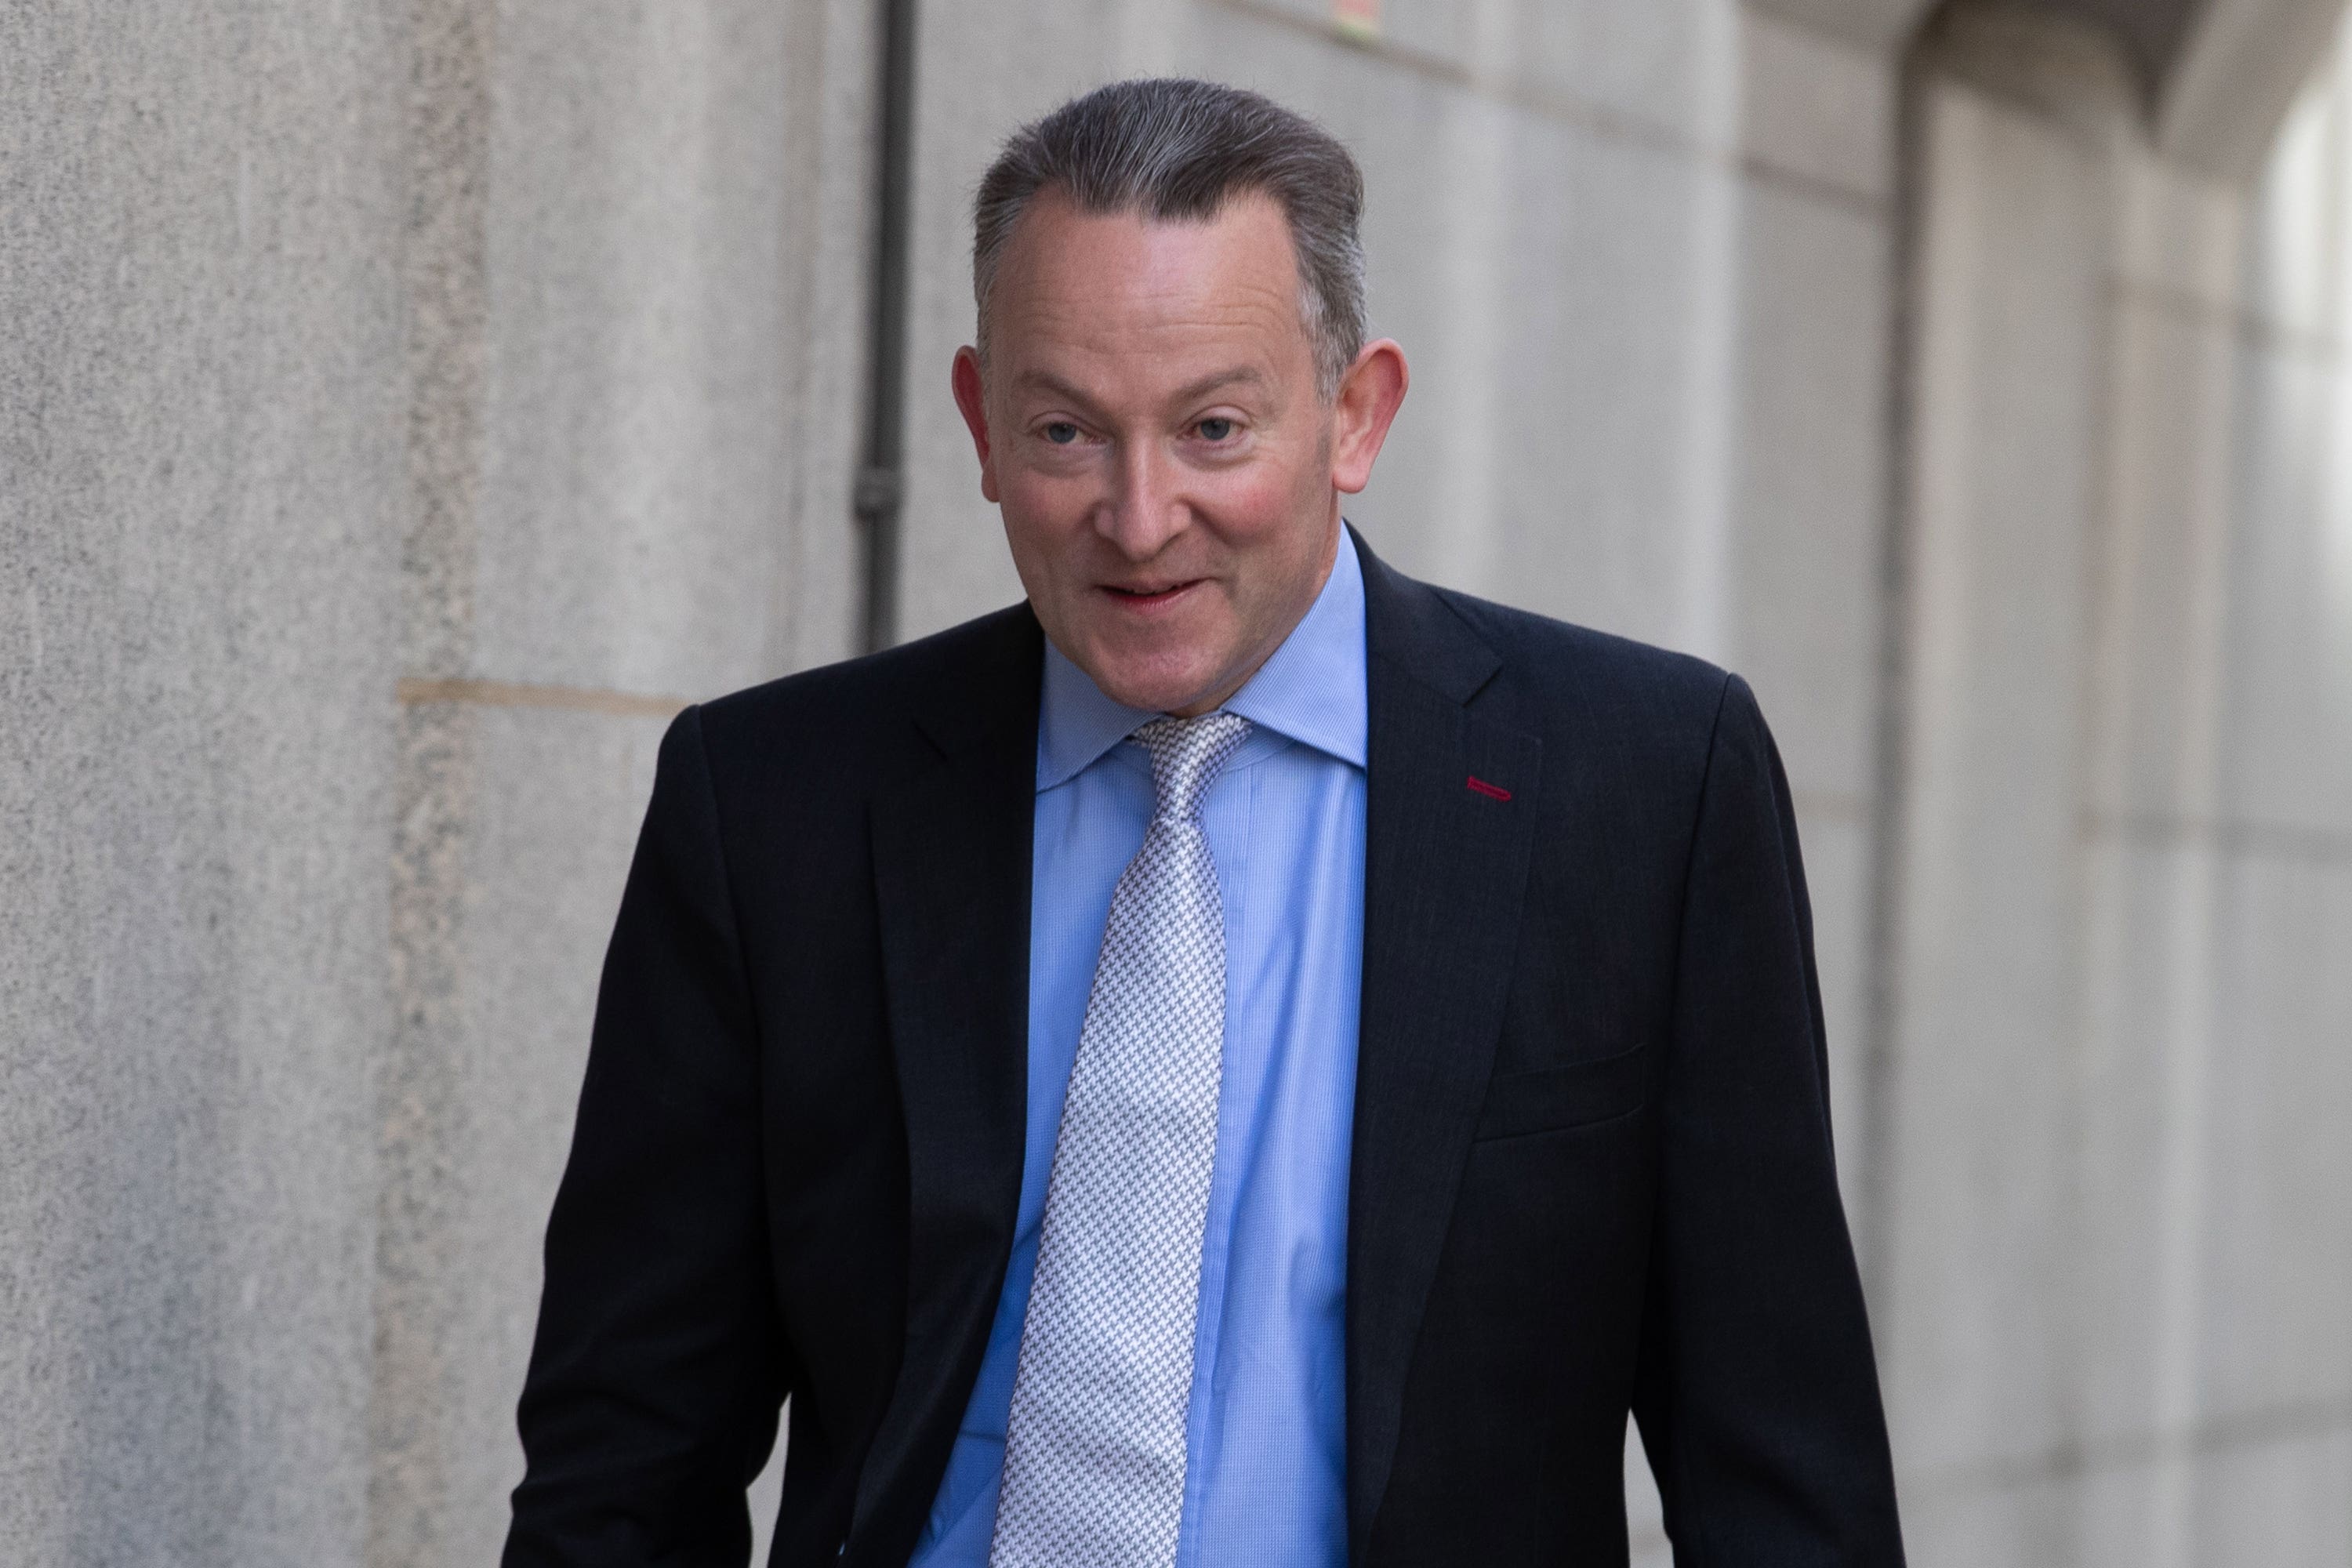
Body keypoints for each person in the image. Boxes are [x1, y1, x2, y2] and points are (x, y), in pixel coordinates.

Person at [504, 78, 1905, 1568]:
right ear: (981, 426)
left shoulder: (1644, 786)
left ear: (1355, 415)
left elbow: (1777, 1469)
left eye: (1215, 427)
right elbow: (626, 1457)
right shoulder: (774, 800)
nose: (1140, 513)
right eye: (1067, 432)